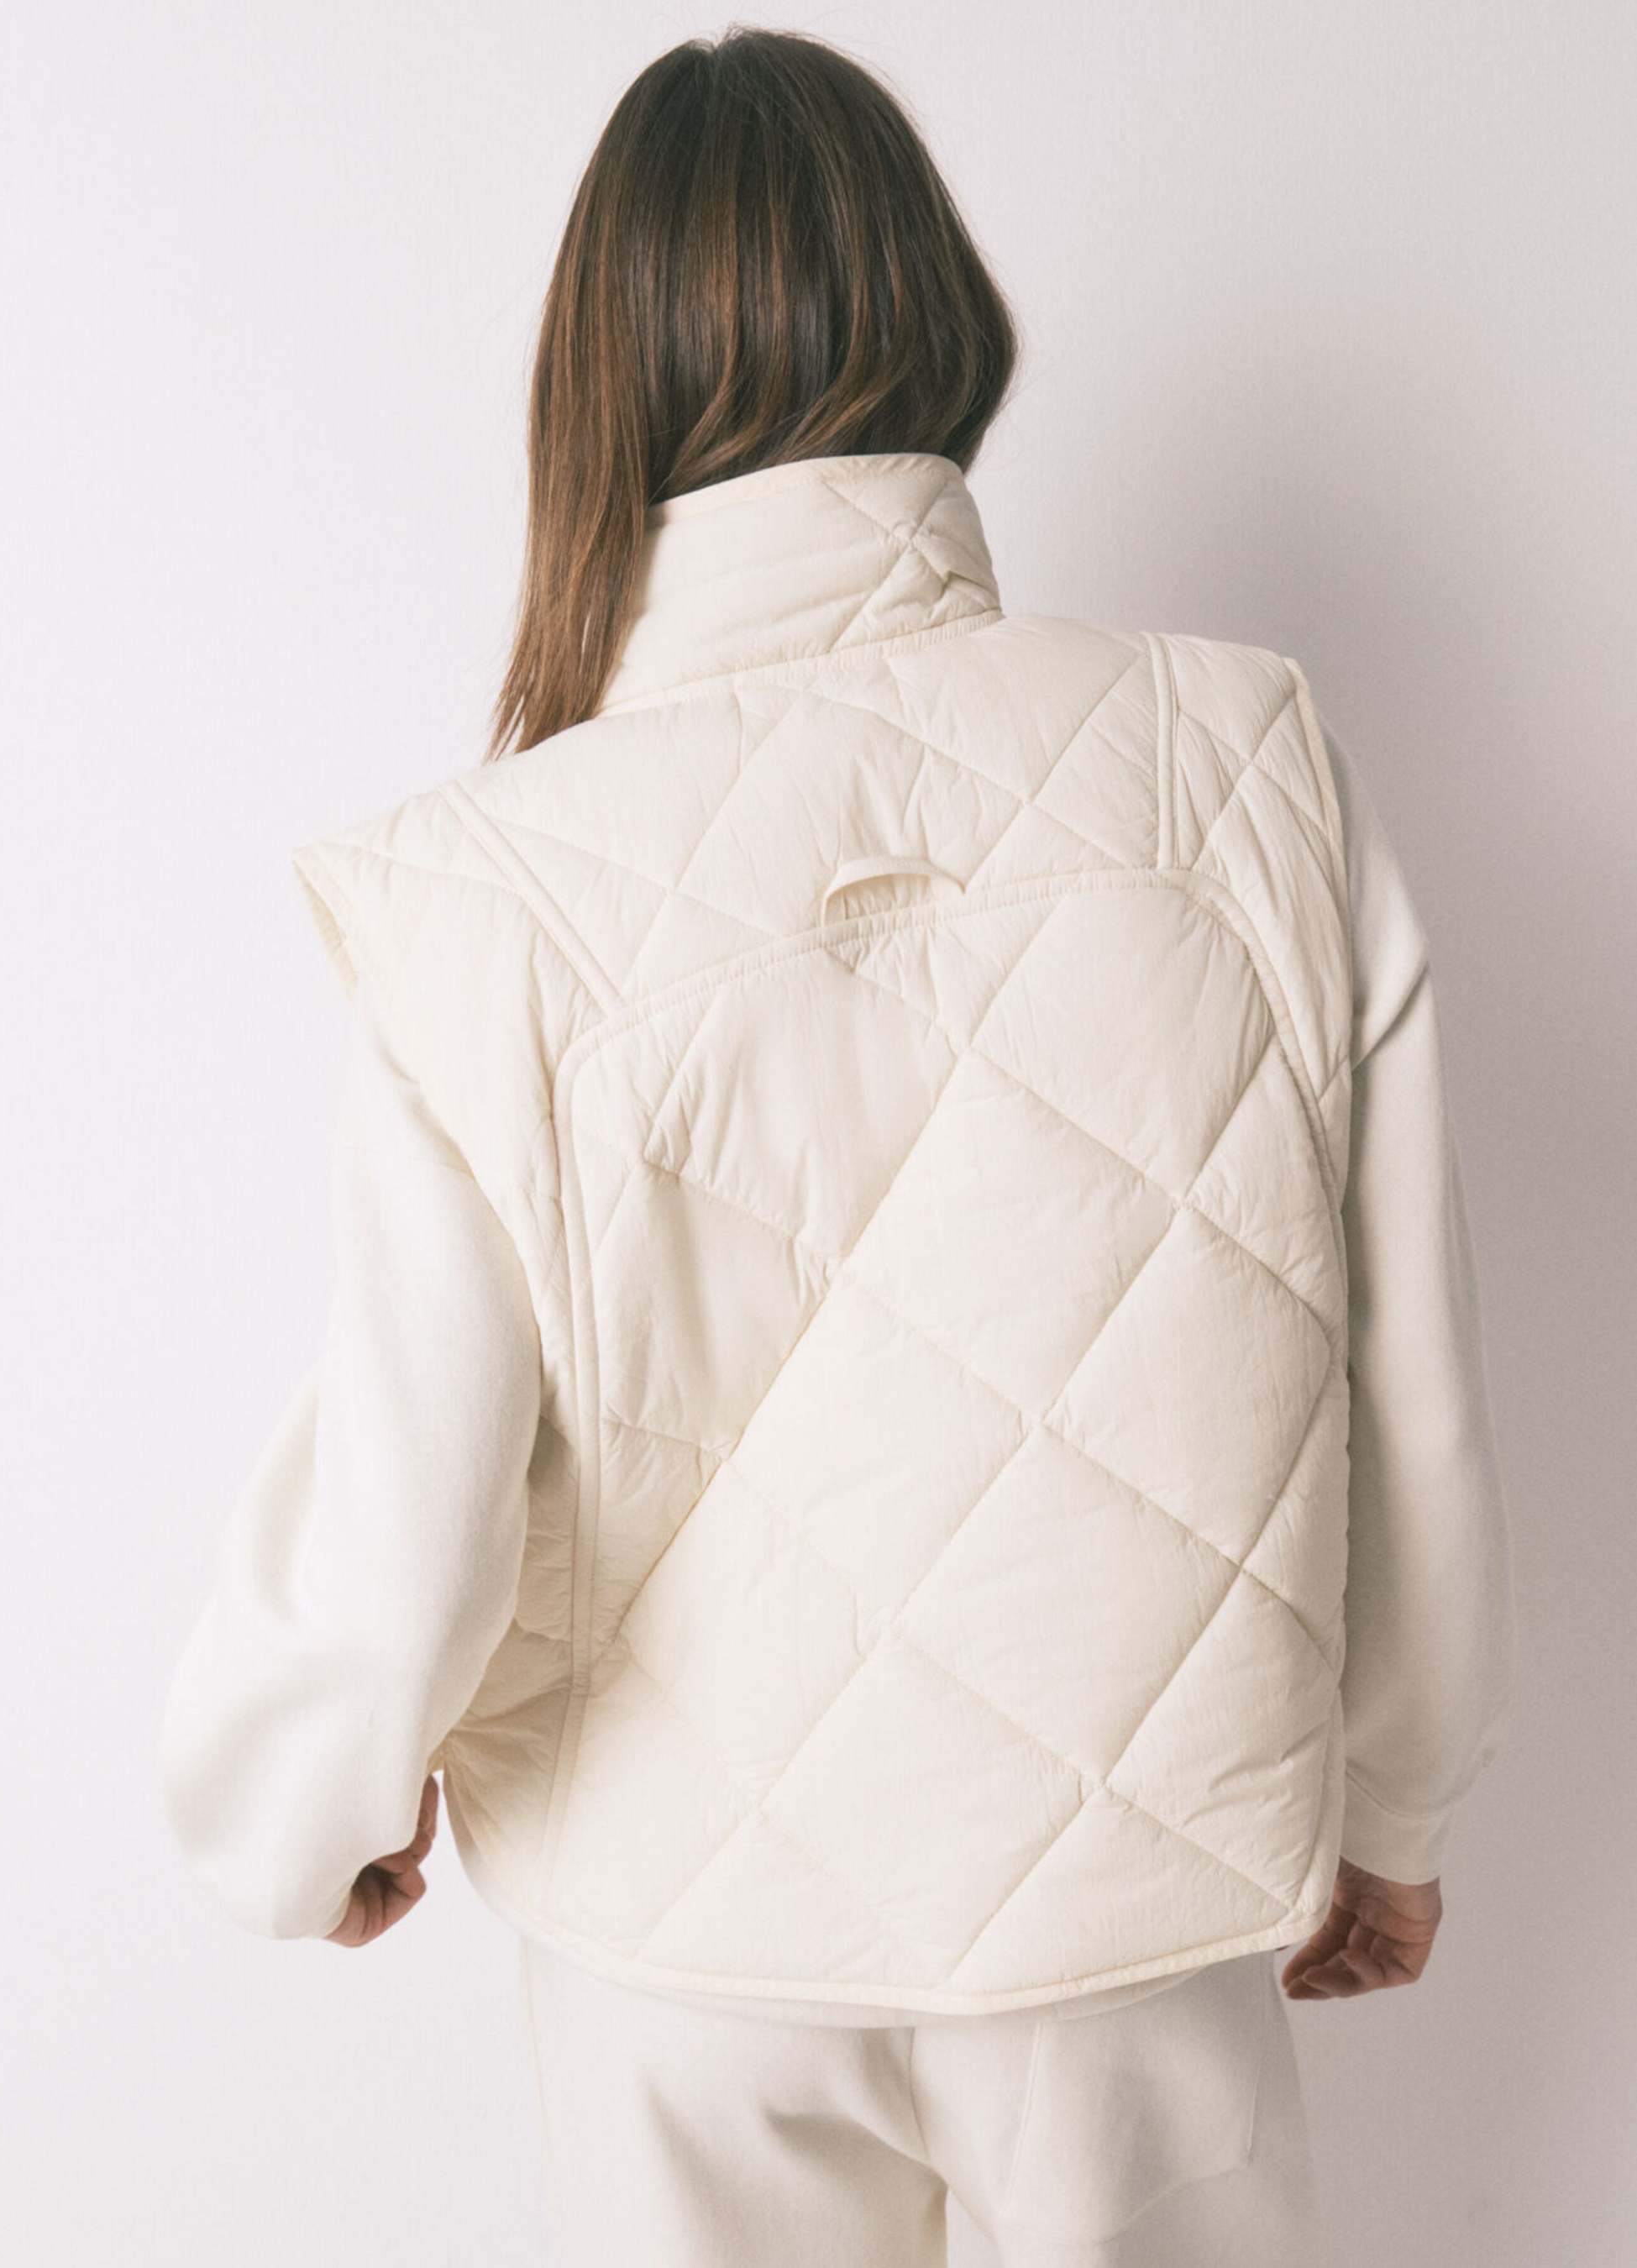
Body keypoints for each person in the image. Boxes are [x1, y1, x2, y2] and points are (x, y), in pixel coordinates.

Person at [160, 27, 1517, 2267]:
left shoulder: (488, 892)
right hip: (1137, 1907)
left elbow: (411, 1490)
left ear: (597, 385)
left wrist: (302, 1806)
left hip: (684, 1948)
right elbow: (1412, 1381)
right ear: (937, 316)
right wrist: (1391, 1791)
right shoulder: (1247, 764)